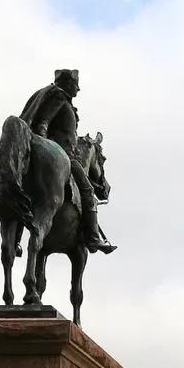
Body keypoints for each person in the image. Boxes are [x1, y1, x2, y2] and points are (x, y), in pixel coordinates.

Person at [17, 69, 116, 254]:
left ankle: (16, 239)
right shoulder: (60, 98)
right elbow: (43, 122)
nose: (77, 90)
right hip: (65, 156)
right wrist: (44, 145)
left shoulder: (60, 99)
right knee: (87, 191)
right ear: (69, 85)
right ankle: (93, 237)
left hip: (60, 152)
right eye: (76, 86)